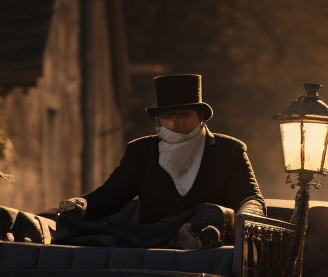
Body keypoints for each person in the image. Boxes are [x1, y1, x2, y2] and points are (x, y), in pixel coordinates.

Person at [57, 74, 264, 248]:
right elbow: (111, 195)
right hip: (151, 240)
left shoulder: (230, 150)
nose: (176, 122)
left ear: (200, 116)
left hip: (209, 242)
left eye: (184, 114)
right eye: (168, 116)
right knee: (82, 228)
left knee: (213, 214)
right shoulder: (140, 150)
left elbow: (250, 197)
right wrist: (81, 203)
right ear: (159, 120)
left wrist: (247, 217)